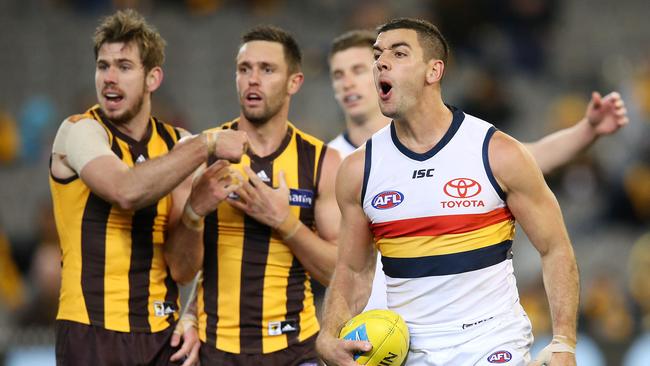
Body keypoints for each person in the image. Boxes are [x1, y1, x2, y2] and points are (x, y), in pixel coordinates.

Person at [317, 18, 580, 365]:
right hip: (410, 352)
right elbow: (351, 270)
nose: (380, 62)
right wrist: (329, 334)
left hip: (493, 344)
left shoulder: (496, 152)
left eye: (398, 53)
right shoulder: (358, 170)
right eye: (378, 54)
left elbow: (555, 248)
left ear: (433, 71)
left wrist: (564, 343)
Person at [326, 29, 628, 312]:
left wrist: (586, 130)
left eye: (359, 69)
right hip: (373, 327)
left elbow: (530, 157)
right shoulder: (331, 164)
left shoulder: (463, 145)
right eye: (338, 75)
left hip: (457, 328)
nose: (348, 82)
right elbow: (340, 265)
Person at [49, 9, 248, 366]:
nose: (109, 78)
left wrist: (193, 212)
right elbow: (125, 190)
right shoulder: (80, 132)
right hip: (90, 332)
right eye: (103, 66)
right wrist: (207, 144)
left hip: (161, 334)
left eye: (124, 67)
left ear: (153, 78)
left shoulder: (178, 145)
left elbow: (182, 269)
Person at [194, 25, 341, 365]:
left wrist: (282, 220)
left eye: (267, 69)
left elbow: (336, 272)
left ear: (294, 82)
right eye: (244, 69)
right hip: (214, 349)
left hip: (295, 349)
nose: (253, 80)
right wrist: (191, 214)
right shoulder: (201, 152)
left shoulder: (322, 162)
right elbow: (179, 266)